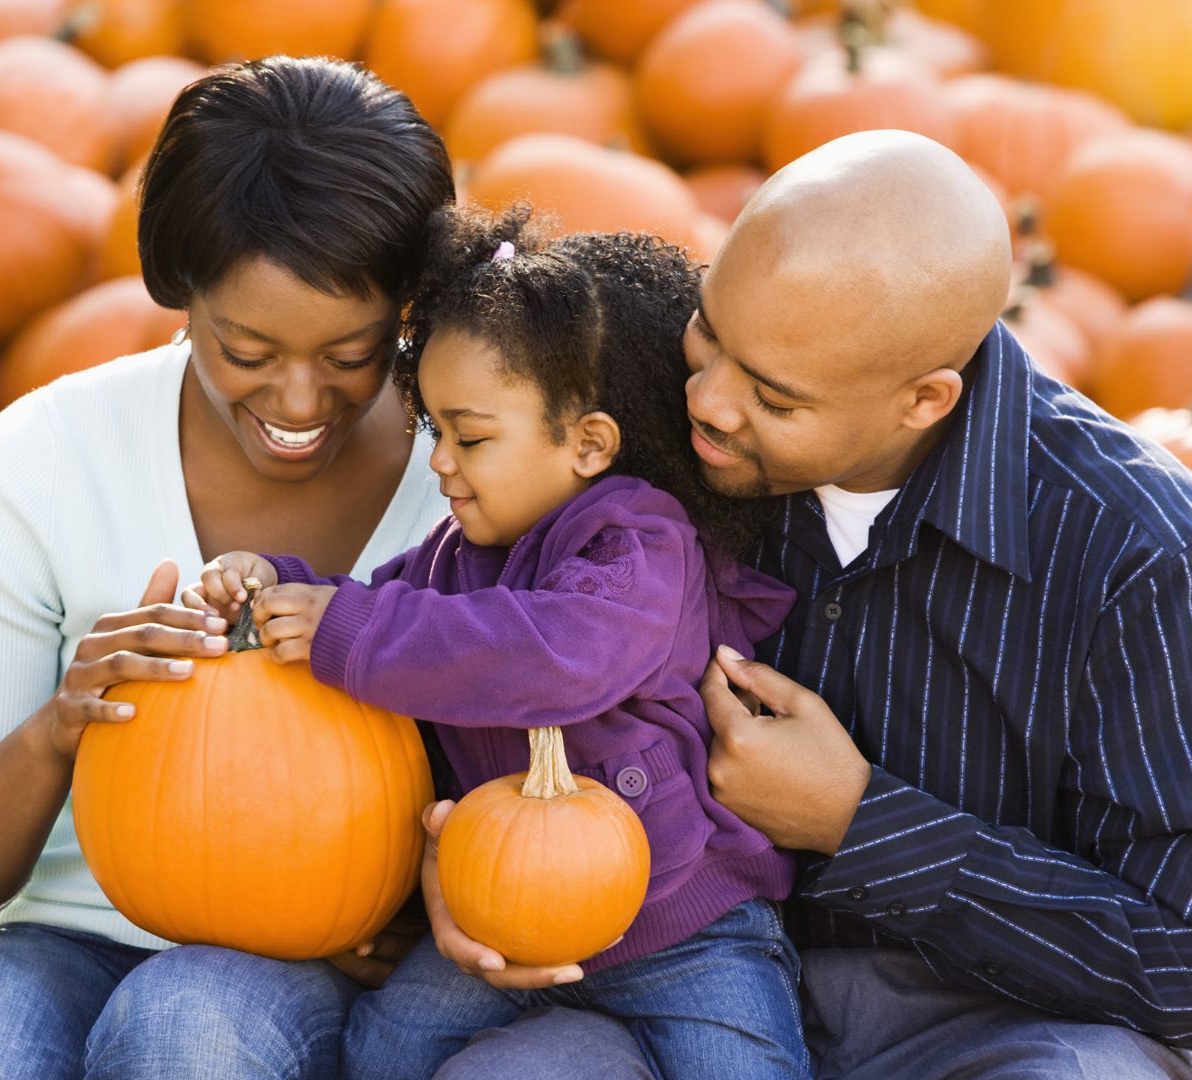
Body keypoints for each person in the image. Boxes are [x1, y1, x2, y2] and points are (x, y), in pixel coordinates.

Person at [416, 130, 1192, 1078]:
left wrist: (863, 822)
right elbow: (481, 611)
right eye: (712, 331)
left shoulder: (1150, 558)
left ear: (924, 400)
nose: (709, 401)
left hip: (989, 1027)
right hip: (656, 977)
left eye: (773, 395)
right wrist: (460, 856)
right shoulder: (648, 410)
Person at [0, 56, 458, 1078]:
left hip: (302, 953)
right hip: (55, 938)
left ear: (413, 306)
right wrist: (60, 729)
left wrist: (411, 900)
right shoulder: (36, 467)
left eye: (353, 353)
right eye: (248, 350)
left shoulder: (472, 477)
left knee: (193, 1029)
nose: (301, 401)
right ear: (177, 292)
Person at [190, 210, 806, 1079]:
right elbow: (370, 606)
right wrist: (278, 584)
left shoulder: (638, 544)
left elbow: (557, 655)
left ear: (588, 443)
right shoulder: (454, 559)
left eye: (469, 437)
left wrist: (348, 631)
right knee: (382, 1053)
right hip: (502, 915)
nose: (441, 462)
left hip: (684, 924)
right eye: (433, 431)